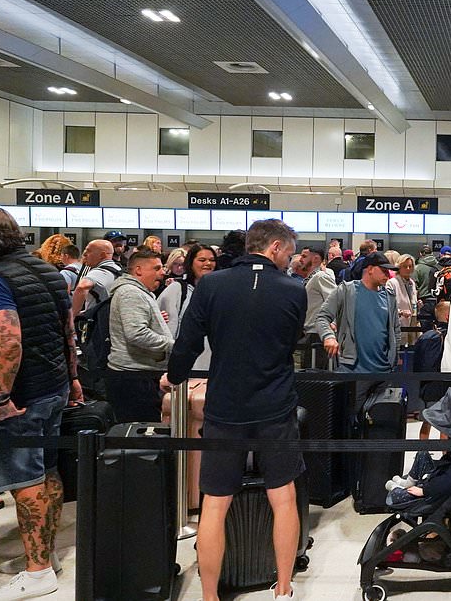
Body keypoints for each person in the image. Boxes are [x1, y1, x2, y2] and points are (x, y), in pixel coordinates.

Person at [162, 219, 307, 601]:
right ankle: (284, 588)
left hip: (225, 405)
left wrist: (174, 377)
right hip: (276, 405)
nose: (289, 261)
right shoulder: (294, 289)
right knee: (283, 497)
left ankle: (209, 596)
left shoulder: (211, 284)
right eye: (289, 253)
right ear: (275, 247)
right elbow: (290, 340)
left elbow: (187, 342)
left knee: (215, 501)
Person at [0, 207, 80, 598]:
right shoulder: (47, 270)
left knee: (25, 483)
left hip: (20, 397)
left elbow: (6, 339)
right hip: (53, 386)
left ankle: (38, 570)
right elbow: (69, 329)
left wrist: (0, 396)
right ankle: (47, 556)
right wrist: (74, 380)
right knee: (47, 472)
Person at [316, 251, 400, 398]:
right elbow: (322, 317)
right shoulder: (346, 290)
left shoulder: (389, 296)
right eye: (384, 270)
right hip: (352, 370)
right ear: (370, 269)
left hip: (383, 371)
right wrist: (328, 336)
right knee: (349, 416)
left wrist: (393, 357)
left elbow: (395, 330)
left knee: (379, 418)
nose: (388, 275)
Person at [106, 250, 173, 423]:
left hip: (138, 374)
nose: (162, 272)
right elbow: (136, 334)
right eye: (157, 268)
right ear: (138, 270)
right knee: (140, 440)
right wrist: (173, 345)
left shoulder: (139, 292)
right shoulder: (131, 293)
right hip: (134, 378)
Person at [158, 244, 216, 372]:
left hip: (213, 362)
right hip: (184, 363)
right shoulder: (177, 289)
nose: (207, 263)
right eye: (202, 260)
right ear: (191, 263)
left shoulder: (221, 292)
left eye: (212, 260)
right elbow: (163, 325)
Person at [414, 301, 450, 441]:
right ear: (448, 316)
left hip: (427, 386)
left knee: (427, 421)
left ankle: (422, 453)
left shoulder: (426, 336)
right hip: (445, 384)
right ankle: (446, 455)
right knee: (446, 423)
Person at [71, 239, 121, 318]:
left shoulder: (100, 272)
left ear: (102, 255)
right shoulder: (118, 269)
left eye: (88, 251)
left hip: (98, 323)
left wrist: (72, 316)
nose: (84, 254)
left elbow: (82, 286)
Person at [386, 253, 419, 341]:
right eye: (405, 266)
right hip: (398, 323)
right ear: (399, 267)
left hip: (412, 323)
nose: (408, 269)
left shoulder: (412, 282)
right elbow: (387, 305)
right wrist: (400, 312)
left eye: (410, 266)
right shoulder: (392, 283)